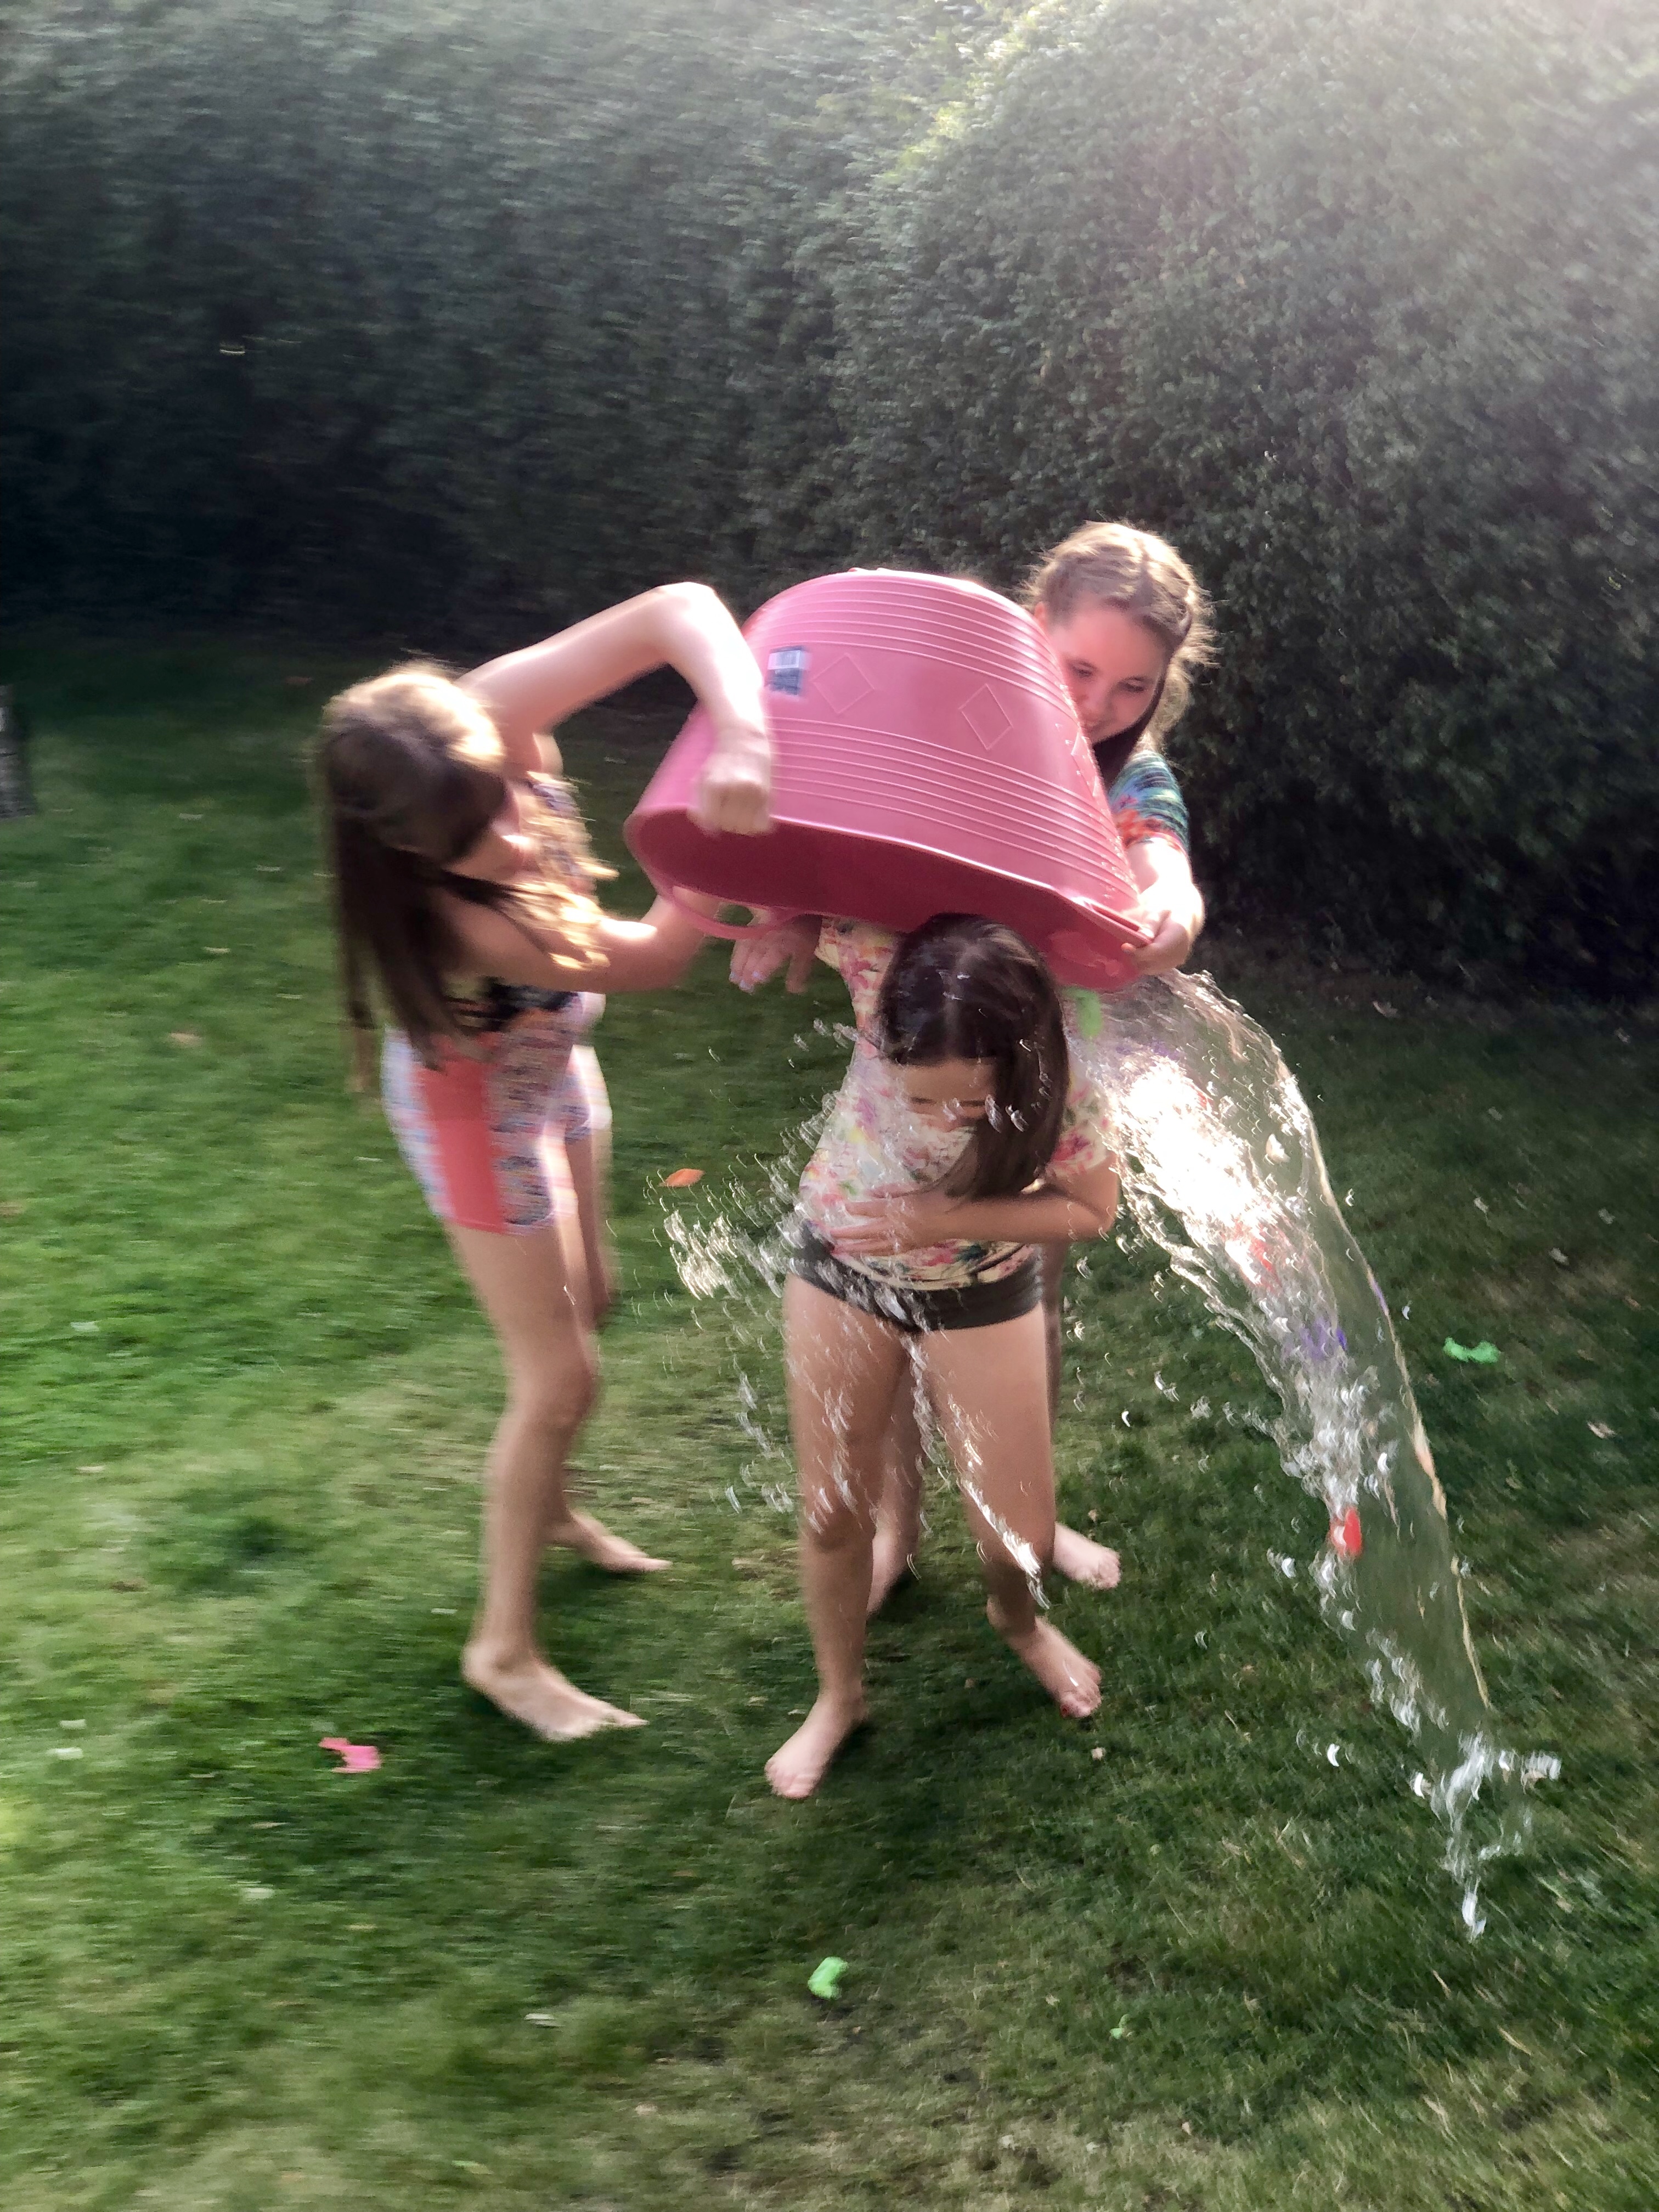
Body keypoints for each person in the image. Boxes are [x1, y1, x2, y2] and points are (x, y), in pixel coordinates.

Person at [317, 583, 771, 1742]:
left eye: (508, 799)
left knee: (596, 1299)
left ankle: (555, 1509)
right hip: (480, 1118)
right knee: (560, 1380)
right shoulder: (464, 924)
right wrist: (738, 844)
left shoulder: (484, 713)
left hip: (557, 1063)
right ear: (406, 851)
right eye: (471, 844)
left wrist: (744, 727)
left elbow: (680, 610)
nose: (516, 838)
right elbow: (658, 954)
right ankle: (504, 1651)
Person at [746, 526, 1216, 1610]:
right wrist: (792, 911)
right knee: (894, 1294)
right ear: (1032, 626)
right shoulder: (958, 716)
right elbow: (849, 815)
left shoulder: (1129, 773)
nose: (1099, 705)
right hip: (928, 1040)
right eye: (1080, 669)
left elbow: (1161, 856)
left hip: (1041, 1064)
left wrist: (1173, 911)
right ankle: (898, 1526)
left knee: (1019, 1292)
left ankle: (1029, 1513)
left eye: (1133, 687)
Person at [731, 911, 1122, 1799]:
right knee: (831, 1508)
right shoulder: (880, 967)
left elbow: (1092, 1208)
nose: (945, 1120)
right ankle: (840, 1697)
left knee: (1018, 1536)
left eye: (969, 1104)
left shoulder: (1065, 1078)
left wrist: (947, 1219)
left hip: (982, 1282)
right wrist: (781, 924)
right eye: (918, 1099)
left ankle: (1016, 1622)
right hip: (844, 1261)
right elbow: (776, 883)